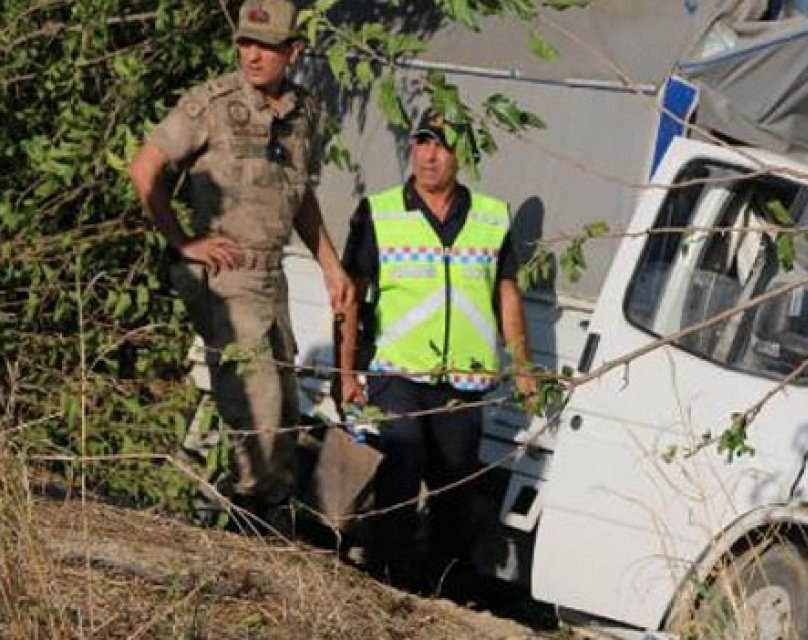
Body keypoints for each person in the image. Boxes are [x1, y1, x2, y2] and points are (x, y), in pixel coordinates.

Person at [129, 0, 354, 526]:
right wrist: (183, 241)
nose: (252, 55)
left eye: (266, 46)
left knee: (285, 410)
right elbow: (144, 169)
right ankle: (245, 518)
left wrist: (330, 265)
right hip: (225, 273)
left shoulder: (303, 112)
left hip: (271, 275)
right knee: (257, 411)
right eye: (245, 44)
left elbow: (299, 196)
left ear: (293, 51)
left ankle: (252, 519)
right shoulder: (211, 103)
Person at [335, 110, 536, 590]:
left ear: (460, 154)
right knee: (401, 471)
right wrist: (345, 373)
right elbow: (350, 297)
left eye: (441, 145)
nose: (428, 155)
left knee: (455, 487)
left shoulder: (490, 216)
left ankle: (437, 589)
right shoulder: (380, 211)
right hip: (397, 372)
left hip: (463, 379)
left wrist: (523, 365)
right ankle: (389, 582)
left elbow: (507, 293)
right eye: (421, 142)